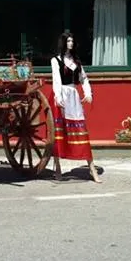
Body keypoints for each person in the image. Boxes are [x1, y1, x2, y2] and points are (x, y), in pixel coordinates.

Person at [49, 31, 102, 183]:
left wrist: (88, 93)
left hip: (73, 96)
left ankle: (92, 168)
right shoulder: (56, 60)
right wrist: (58, 97)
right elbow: (56, 79)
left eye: (72, 41)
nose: (71, 43)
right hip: (61, 96)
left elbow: (84, 79)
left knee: (81, 131)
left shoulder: (77, 62)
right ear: (63, 43)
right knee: (60, 134)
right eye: (68, 41)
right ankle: (58, 168)